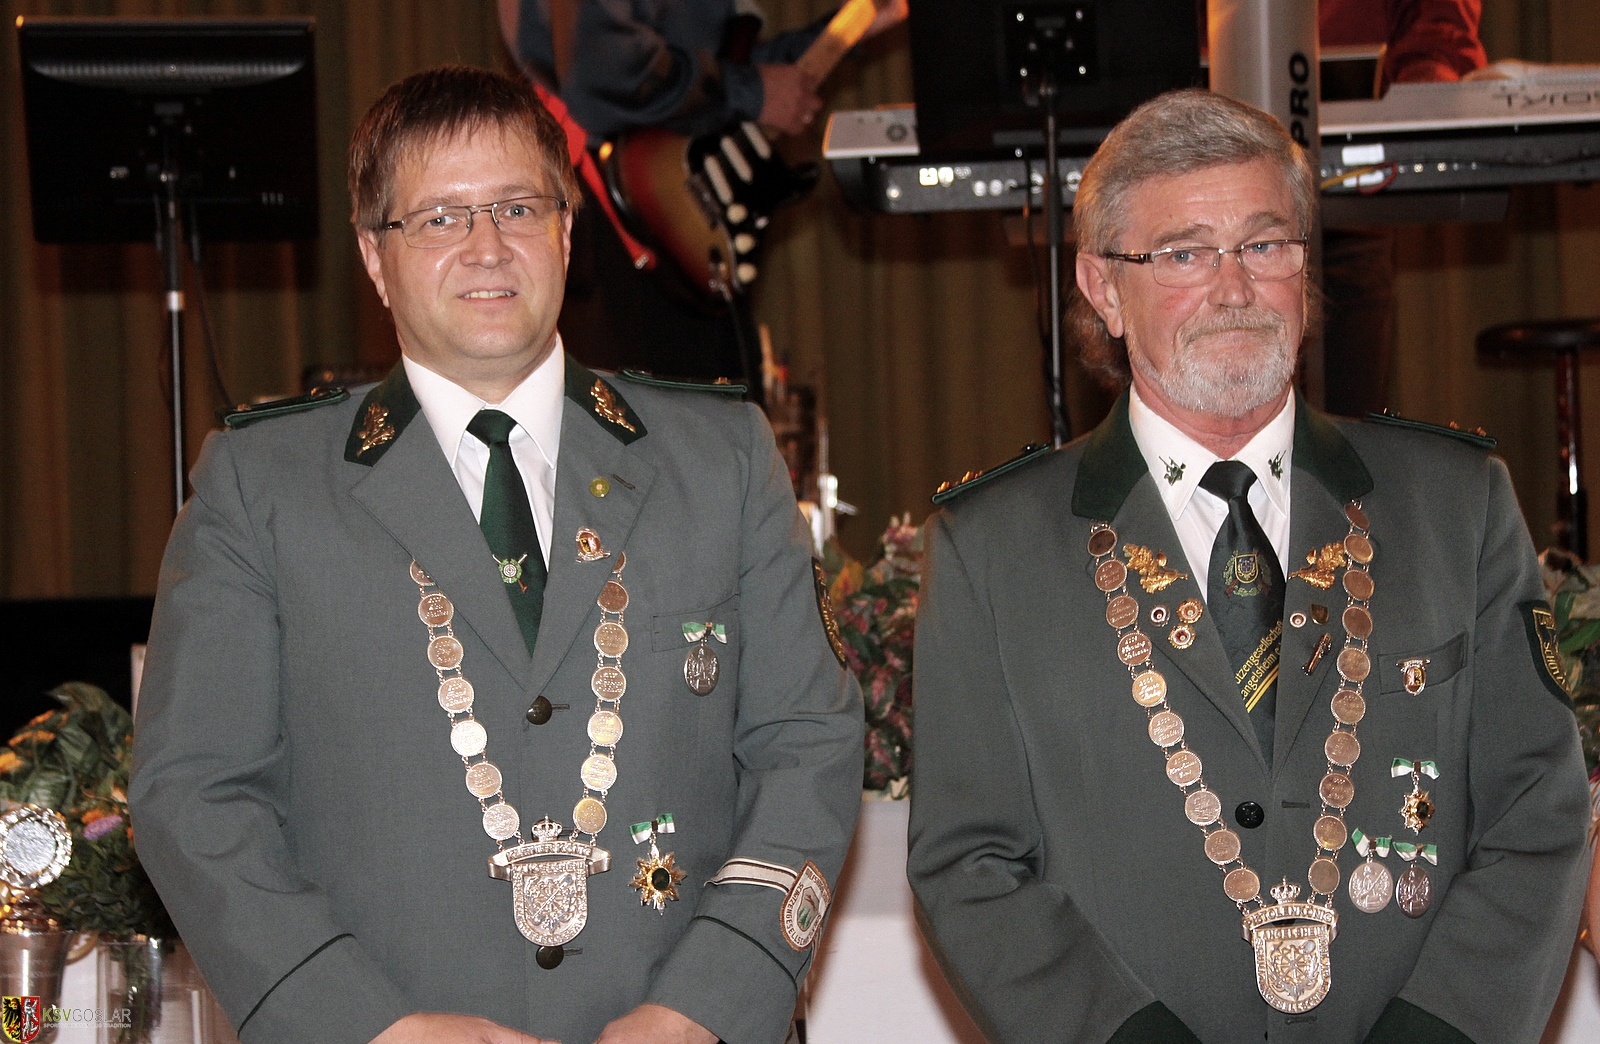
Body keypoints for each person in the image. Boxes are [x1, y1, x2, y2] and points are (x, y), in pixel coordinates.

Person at [130, 66, 862, 1044]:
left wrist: (707, 1005)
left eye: (518, 207)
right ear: (374, 258)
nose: (486, 246)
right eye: (439, 218)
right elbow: (193, 795)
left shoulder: (719, 459)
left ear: (567, 231)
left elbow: (806, 745)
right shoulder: (262, 486)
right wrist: (371, 1026)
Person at [908, 89, 1590, 1044]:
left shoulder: (1454, 505)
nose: (1235, 289)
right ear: (1103, 288)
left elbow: (1537, 812)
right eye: (1184, 254)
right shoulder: (992, 548)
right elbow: (968, 863)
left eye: (1265, 246)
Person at [495, 0, 905, 383]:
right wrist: (751, 92)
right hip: (616, 223)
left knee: (719, 418)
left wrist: (848, 28)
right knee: (639, 422)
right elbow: (604, 69)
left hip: (678, 224)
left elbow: (717, 65)